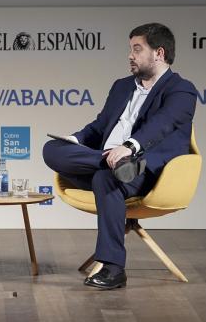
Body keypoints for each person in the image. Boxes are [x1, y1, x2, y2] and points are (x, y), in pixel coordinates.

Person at [43, 23, 197, 290]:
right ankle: (110, 163)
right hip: (108, 162)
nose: (130, 56)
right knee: (52, 150)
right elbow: (100, 126)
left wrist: (129, 147)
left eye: (137, 49)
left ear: (159, 53)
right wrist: (75, 140)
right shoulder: (122, 86)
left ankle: (114, 269)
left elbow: (162, 124)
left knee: (106, 179)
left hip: (145, 170)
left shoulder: (181, 90)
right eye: (130, 50)